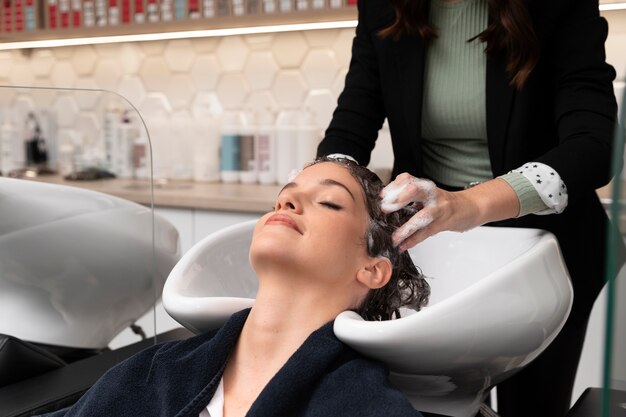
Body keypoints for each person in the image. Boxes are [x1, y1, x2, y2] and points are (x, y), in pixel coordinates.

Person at [317, 0, 621, 416]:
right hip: (429, 251)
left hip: (545, 253)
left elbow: (593, 145)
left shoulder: (557, 6)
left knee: (532, 407)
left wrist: (467, 204)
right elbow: (351, 125)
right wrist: (322, 186)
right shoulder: (383, 7)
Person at [37, 156, 430, 417]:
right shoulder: (154, 373)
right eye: (282, 200)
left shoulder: (364, 406)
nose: (287, 204)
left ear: (373, 270)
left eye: (328, 202)